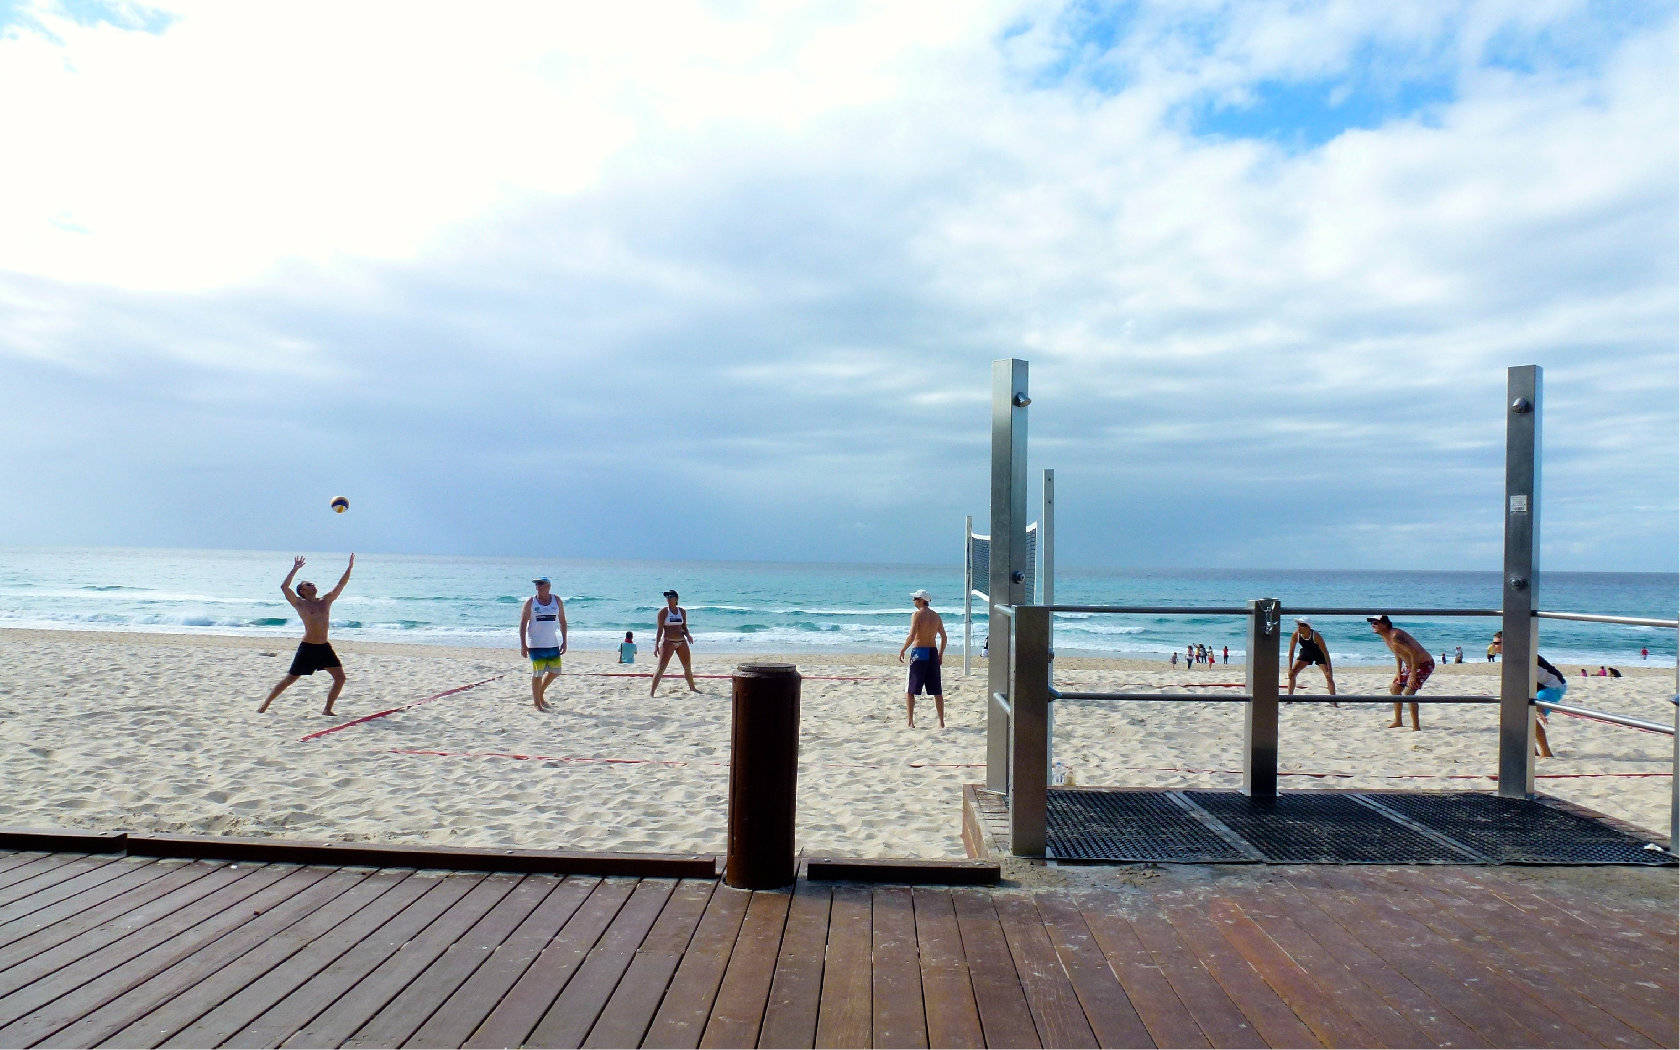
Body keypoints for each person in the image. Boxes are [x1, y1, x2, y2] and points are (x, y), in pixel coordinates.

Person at [260, 554, 354, 716]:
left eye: (313, 584)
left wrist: (349, 568)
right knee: (290, 679)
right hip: (308, 648)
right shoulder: (299, 603)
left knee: (340, 678)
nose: (313, 586)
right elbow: (284, 587)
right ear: (302, 590)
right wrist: (295, 569)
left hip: (324, 648)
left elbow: (341, 584)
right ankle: (265, 704)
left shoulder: (325, 600)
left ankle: (327, 709)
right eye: (309, 584)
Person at [1369, 614, 1433, 731]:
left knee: (1408, 693)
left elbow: (1414, 653)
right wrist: (1398, 672)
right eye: (1372, 623)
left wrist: (1413, 674)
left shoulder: (1395, 636)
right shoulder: (1385, 636)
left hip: (1423, 664)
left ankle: (1416, 727)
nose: (1373, 625)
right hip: (1410, 665)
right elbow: (1398, 653)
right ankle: (1398, 721)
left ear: (1385, 624)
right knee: (1394, 688)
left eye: (1376, 623)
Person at [897, 589, 947, 728]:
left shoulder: (917, 615)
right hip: (932, 652)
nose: (913, 601)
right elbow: (944, 636)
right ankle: (941, 722)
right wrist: (940, 654)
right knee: (937, 690)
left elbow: (912, 636)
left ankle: (911, 722)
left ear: (920, 600)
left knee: (911, 689)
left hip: (919, 651)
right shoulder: (936, 616)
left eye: (914, 599)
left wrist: (903, 649)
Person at [519, 577, 568, 711]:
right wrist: (523, 644)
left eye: (541, 584)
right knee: (538, 674)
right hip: (536, 644)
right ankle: (537, 703)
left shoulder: (556, 601)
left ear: (548, 586)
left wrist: (564, 640)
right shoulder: (531, 602)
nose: (538, 587)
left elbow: (563, 621)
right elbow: (523, 623)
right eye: (537, 585)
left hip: (552, 643)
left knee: (555, 671)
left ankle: (539, 694)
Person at [651, 589, 699, 695]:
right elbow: (659, 630)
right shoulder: (663, 612)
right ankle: (652, 692)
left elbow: (684, 627)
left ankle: (692, 688)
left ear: (676, 599)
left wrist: (688, 635)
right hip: (668, 642)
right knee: (661, 668)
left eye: (670, 597)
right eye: (667, 597)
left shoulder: (682, 611)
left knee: (687, 667)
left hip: (682, 642)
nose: (668, 599)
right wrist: (656, 646)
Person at [1286, 618, 1338, 704]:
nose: (1299, 627)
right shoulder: (1296, 635)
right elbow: (1291, 652)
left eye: (1302, 625)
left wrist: (1330, 670)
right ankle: (1289, 699)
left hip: (1319, 654)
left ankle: (1334, 702)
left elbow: (1325, 652)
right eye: (1298, 624)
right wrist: (1290, 668)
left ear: (1308, 627)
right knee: (1292, 674)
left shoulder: (1316, 636)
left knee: (1329, 677)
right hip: (1306, 653)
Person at [1533, 653, 1566, 758]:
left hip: (1553, 687)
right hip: (1540, 686)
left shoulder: (1525, 654)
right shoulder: (1512, 658)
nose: (1493, 645)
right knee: (1521, 715)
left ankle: (1546, 752)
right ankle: (1532, 750)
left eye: (1497, 643)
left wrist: (1538, 709)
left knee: (1529, 716)